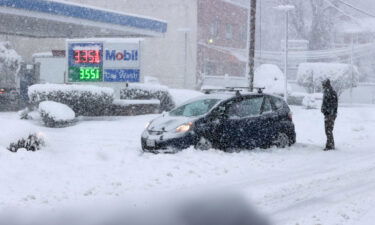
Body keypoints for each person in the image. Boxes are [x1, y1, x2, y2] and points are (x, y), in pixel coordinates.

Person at [321, 79, 338, 150]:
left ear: (326, 84)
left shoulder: (331, 92)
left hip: (330, 115)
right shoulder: (327, 91)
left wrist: (329, 112)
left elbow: (333, 104)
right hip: (328, 114)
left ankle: (330, 145)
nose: (322, 86)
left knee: (328, 129)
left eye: (323, 85)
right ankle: (330, 144)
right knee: (328, 130)